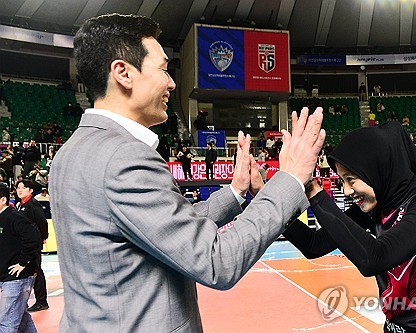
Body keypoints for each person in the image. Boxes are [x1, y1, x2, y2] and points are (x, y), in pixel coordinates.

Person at [49, 13, 325, 333]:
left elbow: (169, 227)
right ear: (123, 73)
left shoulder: (71, 152)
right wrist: (289, 177)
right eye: (164, 69)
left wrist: (235, 191)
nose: (172, 82)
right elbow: (217, 261)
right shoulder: (123, 157)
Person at [284, 121, 416, 333]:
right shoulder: (378, 205)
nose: (346, 191)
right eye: (342, 181)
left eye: (351, 180)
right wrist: (266, 199)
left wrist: (315, 193)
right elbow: (313, 245)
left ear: (376, 168)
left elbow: (374, 258)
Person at [0, 184, 41, 333]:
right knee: (21, 320)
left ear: (3, 200)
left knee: (6, 323)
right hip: (7, 277)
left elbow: (34, 238)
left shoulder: (14, 216)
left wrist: (23, 262)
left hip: (17, 278)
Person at [16, 179, 49, 312]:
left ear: (30, 190)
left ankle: (42, 301)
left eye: (23, 188)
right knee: (28, 271)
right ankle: (25, 301)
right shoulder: (20, 205)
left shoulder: (33, 205)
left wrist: (43, 237)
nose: (20, 190)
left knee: (36, 271)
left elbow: (42, 222)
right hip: (24, 244)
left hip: (33, 243)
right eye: (18, 187)